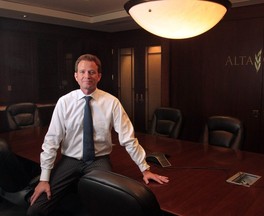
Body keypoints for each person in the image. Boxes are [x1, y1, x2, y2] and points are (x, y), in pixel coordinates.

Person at [27, 54, 169, 216]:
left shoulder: (112, 102)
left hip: (99, 161)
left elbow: (128, 139)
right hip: (70, 160)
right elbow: (51, 141)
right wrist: (44, 179)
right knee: (36, 209)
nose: (87, 76)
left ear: (99, 76)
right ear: (76, 76)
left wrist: (145, 169)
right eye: (82, 72)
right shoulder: (64, 102)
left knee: (107, 206)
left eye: (92, 72)